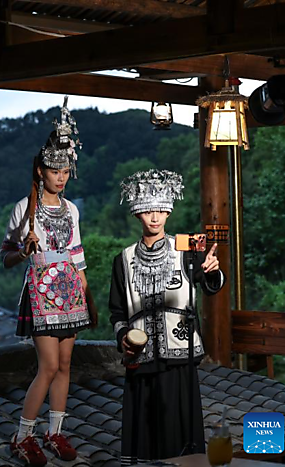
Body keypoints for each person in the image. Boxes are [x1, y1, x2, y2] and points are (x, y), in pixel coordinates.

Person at [1, 97, 97, 466]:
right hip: (41, 291)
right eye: (54, 170)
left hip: (70, 290)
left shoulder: (71, 209)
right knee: (49, 366)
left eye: (66, 171)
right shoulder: (24, 209)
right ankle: (22, 436)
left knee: (67, 364)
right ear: (41, 170)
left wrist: (88, 296)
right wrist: (24, 251)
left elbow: (77, 255)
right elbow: (6, 257)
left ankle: (55, 431)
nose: (61, 176)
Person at [109, 169, 225, 466]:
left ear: (169, 212)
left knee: (180, 435)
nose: (155, 217)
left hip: (179, 357)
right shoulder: (123, 260)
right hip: (140, 357)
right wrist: (123, 338)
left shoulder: (185, 250)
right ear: (137, 213)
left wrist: (212, 271)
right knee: (146, 438)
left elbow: (210, 285)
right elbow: (118, 312)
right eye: (148, 211)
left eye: (161, 210)